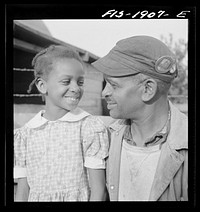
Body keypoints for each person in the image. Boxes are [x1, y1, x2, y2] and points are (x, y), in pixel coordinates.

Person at [92, 35, 188, 201]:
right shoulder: (106, 138)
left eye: (113, 85)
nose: (104, 92)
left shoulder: (185, 144)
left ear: (148, 89)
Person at [14, 45, 109, 202]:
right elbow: (22, 192)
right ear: (42, 85)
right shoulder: (25, 135)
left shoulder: (89, 127)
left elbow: (99, 191)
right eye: (66, 81)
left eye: (80, 82)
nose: (75, 88)